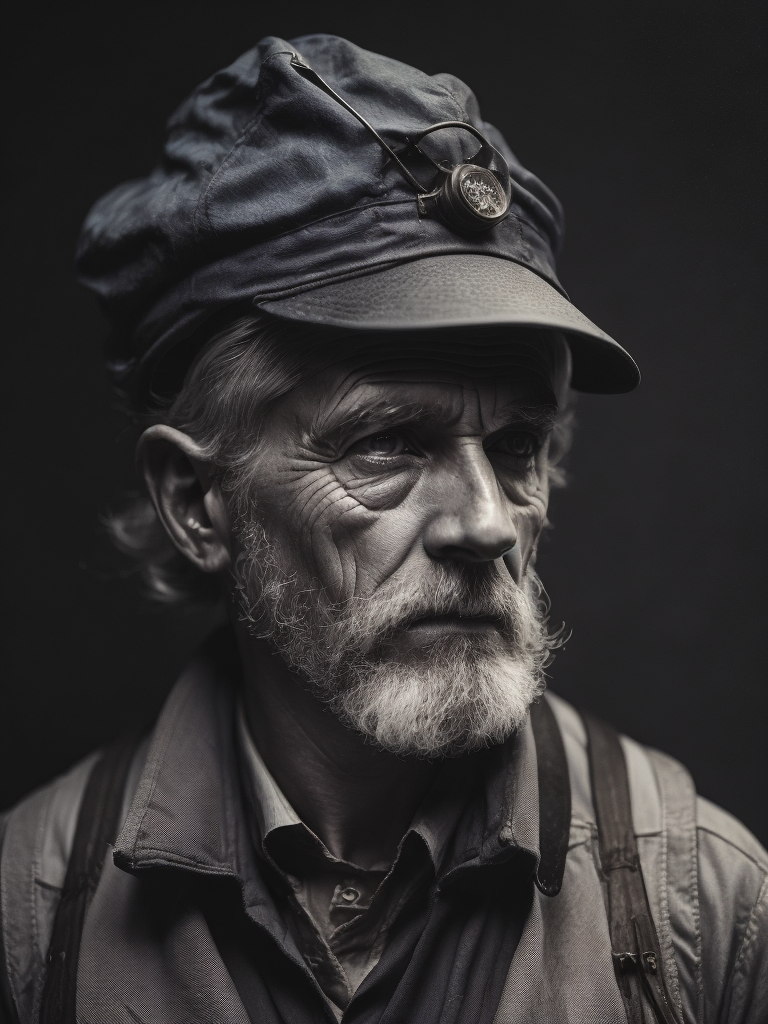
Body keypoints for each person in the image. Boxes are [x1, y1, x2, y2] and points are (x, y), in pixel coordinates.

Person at [0, 33, 765, 1024]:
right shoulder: (32, 924)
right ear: (196, 503)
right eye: (388, 441)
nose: (487, 523)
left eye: (518, 446)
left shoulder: (705, 911)